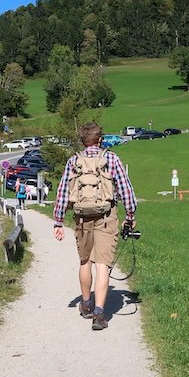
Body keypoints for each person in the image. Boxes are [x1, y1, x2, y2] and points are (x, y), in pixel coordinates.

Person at [53, 122, 137, 331]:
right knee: (102, 265)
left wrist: (58, 221)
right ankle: (99, 314)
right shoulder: (111, 158)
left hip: (82, 218)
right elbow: (125, 189)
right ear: (100, 139)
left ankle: (86, 304)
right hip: (106, 216)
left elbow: (63, 191)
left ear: (83, 140)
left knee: (85, 261)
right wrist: (130, 214)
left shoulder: (74, 161)